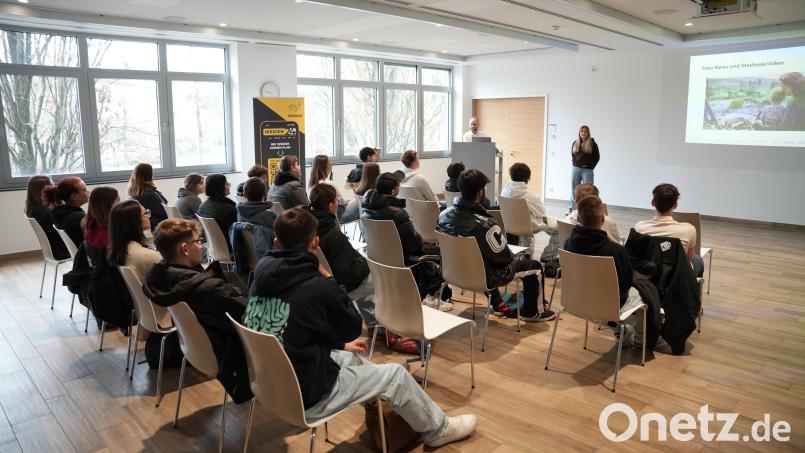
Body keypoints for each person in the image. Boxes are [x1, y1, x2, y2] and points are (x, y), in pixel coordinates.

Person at [244, 207, 476, 448]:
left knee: (349, 355)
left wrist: (338, 344)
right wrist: (329, 280)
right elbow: (352, 327)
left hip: (269, 385)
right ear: (315, 243)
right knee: (396, 375)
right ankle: (438, 430)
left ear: (276, 243)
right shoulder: (314, 286)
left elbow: (290, 328)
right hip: (306, 396)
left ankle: (378, 403)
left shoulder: (259, 279)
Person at [143, 219, 252, 403]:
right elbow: (249, 311)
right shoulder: (209, 288)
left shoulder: (157, 278)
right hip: (231, 352)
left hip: (197, 350)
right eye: (197, 241)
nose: (201, 246)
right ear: (185, 249)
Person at [437, 169, 555, 322]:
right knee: (535, 267)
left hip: (452, 272)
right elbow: (505, 259)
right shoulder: (486, 225)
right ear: (480, 192)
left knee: (482, 258)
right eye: (484, 188)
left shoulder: (443, 215)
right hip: (482, 277)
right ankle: (533, 312)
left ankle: (497, 302)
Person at [361, 172, 452, 311]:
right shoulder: (397, 213)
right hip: (403, 256)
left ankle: (440, 294)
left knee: (430, 257)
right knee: (445, 253)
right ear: (393, 191)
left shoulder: (366, 209)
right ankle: (431, 295)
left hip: (381, 256)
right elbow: (415, 245)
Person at [564, 195, 644, 344]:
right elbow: (626, 283)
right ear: (602, 220)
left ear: (579, 220)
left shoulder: (568, 244)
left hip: (575, 299)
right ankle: (640, 338)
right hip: (608, 304)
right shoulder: (616, 251)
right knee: (645, 291)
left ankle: (620, 329)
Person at [634, 183, 704, 277]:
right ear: (675, 205)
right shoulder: (688, 229)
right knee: (697, 260)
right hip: (675, 280)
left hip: (648, 278)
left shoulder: (639, 227)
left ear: (653, 202)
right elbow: (689, 259)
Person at [500, 163, 560, 260]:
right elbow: (541, 214)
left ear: (511, 175)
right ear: (528, 178)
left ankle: (524, 252)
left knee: (524, 219)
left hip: (509, 225)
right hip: (528, 227)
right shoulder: (531, 195)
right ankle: (547, 257)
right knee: (559, 229)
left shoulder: (504, 191)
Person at [108, 200, 161, 284]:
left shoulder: (121, 248)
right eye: (145, 213)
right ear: (136, 222)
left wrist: (147, 232)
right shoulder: (148, 256)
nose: (148, 216)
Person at [25, 175, 69, 260]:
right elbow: (62, 228)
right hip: (62, 249)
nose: (55, 186)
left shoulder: (33, 208)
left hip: (52, 249)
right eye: (52, 184)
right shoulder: (45, 211)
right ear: (44, 189)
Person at [235, 176, 277, 258]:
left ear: (244, 194)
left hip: (246, 258)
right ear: (265, 194)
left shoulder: (239, 213)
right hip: (268, 258)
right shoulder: (269, 216)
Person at [309, 154, 358, 223]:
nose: (331, 165)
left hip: (326, 218)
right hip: (340, 216)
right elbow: (343, 202)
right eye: (329, 163)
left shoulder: (313, 185)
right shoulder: (329, 184)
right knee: (359, 202)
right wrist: (347, 201)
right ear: (325, 167)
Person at [43, 176, 90, 248]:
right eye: (84, 190)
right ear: (74, 196)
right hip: (84, 256)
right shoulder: (78, 218)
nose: (88, 192)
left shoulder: (59, 211)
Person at [197, 173, 237, 251]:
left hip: (212, 247)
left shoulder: (203, 206)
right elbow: (237, 235)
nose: (229, 185)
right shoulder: (228, 209)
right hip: (229, 249)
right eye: (226, 183)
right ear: (220, 187)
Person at [127, 163, 168, 230]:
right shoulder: (150, 194)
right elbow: (165, 210)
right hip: (156, 225)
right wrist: (155, 190)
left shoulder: (133, 192)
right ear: (149, 176)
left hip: (146, 223)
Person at [569, 125, 600, 212]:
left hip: (587, 171)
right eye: (581, 131)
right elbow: (572, 155)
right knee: (574, 189)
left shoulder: (593, 144)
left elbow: (597, 157)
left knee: (589, 191)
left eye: (585, 131)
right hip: (576, 169)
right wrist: (575, 164)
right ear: (579, 133)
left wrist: (590, 167)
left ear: (588, 133)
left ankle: (588, 210)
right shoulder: (575, 143)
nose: (583, 133)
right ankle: (572, 209)